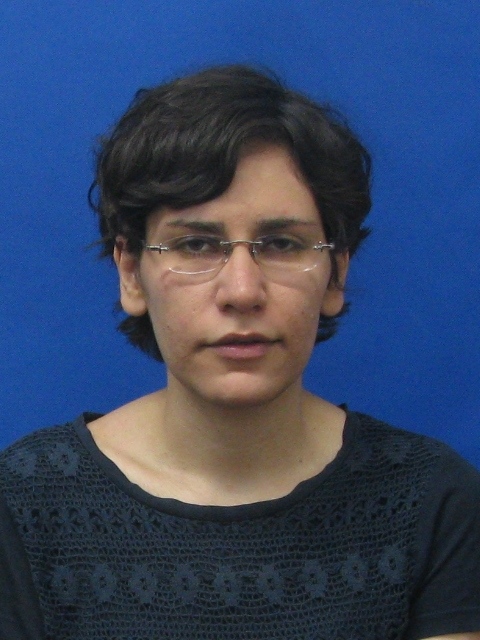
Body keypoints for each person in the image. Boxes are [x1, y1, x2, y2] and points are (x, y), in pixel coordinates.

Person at [1, 64, 479, 640]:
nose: (243, 291)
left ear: (336, 273)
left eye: (281, 244)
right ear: (131, 272)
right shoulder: (26, 502)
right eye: (196, 244)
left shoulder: (432, 500)